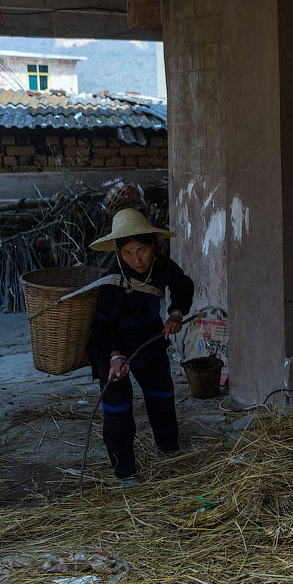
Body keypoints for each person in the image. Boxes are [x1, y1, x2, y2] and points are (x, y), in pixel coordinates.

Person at [86, 208, 194, 487]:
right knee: (118, 411)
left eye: (142, 250)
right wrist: (114, 358)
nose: (137, 259)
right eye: (128, 253)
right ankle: (125, 472)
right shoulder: (111, 282)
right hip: (114, 351)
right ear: (119, 253)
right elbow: (100, 328)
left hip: (150, 342)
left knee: (162, 397)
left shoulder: (163, 266)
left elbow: (183, 285)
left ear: (153, 246)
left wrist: (176, 313)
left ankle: (169, 452)